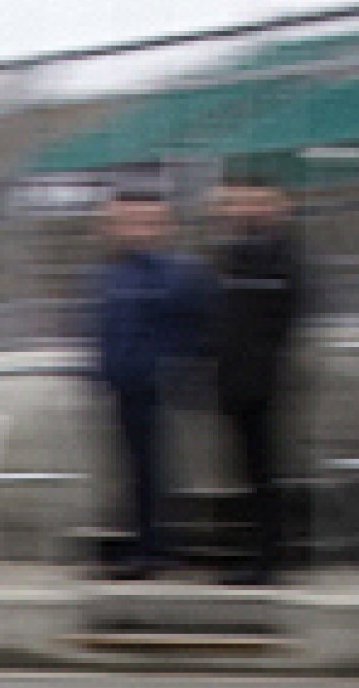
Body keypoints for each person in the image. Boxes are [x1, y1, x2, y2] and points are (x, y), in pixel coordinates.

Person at [85, 191, 215, 579]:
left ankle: (155, 548)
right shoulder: (113, 274)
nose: (132, 231)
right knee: (137, 471)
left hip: (156, 387)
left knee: (154, 471)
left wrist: (173, 368)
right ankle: (145, 544)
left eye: (145, 222)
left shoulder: (178, 274)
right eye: (124, 222)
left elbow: (195, 329)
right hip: (124, 384)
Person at [212, 176, 309, 585]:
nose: (244, 210)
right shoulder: (232, 255)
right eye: (236, 203)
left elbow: (290, 315)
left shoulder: (284, 256)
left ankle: (269, 557)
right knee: (248, 471)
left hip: (263, 379)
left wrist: (264, 360)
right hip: (234, 379)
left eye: (255, 202)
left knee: (264, 470)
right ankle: (257, 553)